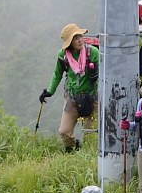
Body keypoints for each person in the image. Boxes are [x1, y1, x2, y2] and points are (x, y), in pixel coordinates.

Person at [40, 23, 100, 152]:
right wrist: (50, 91)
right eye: (75, 38)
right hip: (72, 98)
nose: (79, 40)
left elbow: (104, 75)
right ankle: (73, 150)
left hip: (92, 96)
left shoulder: (93, 52)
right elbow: (57, 74)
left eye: (80, 36)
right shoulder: (63, 55)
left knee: (90, 133)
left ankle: (87, 158)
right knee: (64, 131)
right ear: (69, 42)